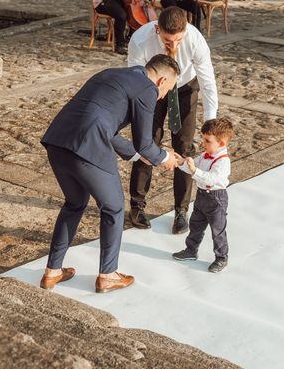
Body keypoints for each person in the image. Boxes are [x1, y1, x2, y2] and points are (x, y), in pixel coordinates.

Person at [40, 55, 181, 293]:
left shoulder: (111, 74)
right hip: (87, 146)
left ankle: (52, 271)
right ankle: (108, 275)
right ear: (161, 80)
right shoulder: (147, 88)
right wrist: (164, 158)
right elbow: (145, 143)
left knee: (75, 203)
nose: (164, 96)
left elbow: (108, 128)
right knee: (113, 207)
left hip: (57, 140)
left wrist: (138, 156)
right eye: (167, 89)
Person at [128, 6, 218, 234]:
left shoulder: (195, 40)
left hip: (186, 87)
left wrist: (211, 124)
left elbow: (208, 84)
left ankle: (181, 211)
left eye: (178, 40)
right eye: (168, 41)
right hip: (152, 89)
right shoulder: (140, 40)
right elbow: (134, 81)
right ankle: (137, 206)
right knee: (147, 144)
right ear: (157, 29)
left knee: (185, 148)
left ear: (185, 30)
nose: (173, 46)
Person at [172, 117, 234, 273]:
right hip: (201, 197)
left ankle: (221, 258)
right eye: (203, 139)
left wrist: (194, 171)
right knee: (195, 225)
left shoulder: (223, 162)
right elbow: (192, 167)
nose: (203, 144)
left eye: (207, 141)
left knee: (217, 230)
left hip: (216, 198)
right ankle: (191, 250)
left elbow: (213, 179)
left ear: (221, 143)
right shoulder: (205, 155)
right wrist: (182, 163)